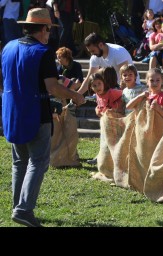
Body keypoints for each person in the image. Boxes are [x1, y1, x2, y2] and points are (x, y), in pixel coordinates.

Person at [1, 8, 85, 227]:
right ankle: (24, 209)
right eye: (49, 28)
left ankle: (17, 206)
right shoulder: (43, 51)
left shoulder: (8, 47)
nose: (49, 33)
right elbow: (52, 87)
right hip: (35, 113)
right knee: (38, 161)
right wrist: (75, 96)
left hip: (12, 111)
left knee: (19, 162)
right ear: (44, 28)